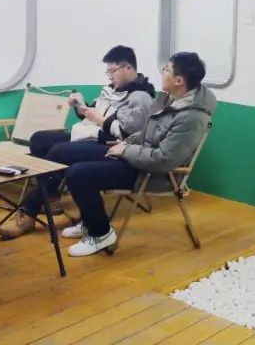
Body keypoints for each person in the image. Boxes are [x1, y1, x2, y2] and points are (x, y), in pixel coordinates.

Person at [63, 52, 215, 257]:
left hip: (151, 173)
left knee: (78, 174)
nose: (162, 72)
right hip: (136, 159)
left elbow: (164, 160)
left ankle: (100, 234)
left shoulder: (191, 118)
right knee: (76, 155)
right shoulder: (168, 98)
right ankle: (89, 221)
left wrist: (126, 150)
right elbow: (145, 134)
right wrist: (125, 143)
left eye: (166, 69)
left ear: (179, 80)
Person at [0, 45, 155, 239]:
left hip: (112, 146)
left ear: (128, 68)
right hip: (93, 134)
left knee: (59, 152)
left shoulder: (140, 97)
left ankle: (29, 210)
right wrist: (82, 106)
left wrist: (98, 119)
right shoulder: (113, 90)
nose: (109, 76)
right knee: (39, 139)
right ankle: (50, 195)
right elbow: (94, 114)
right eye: (107, 71)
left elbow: (125, 134)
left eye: (112, 71)